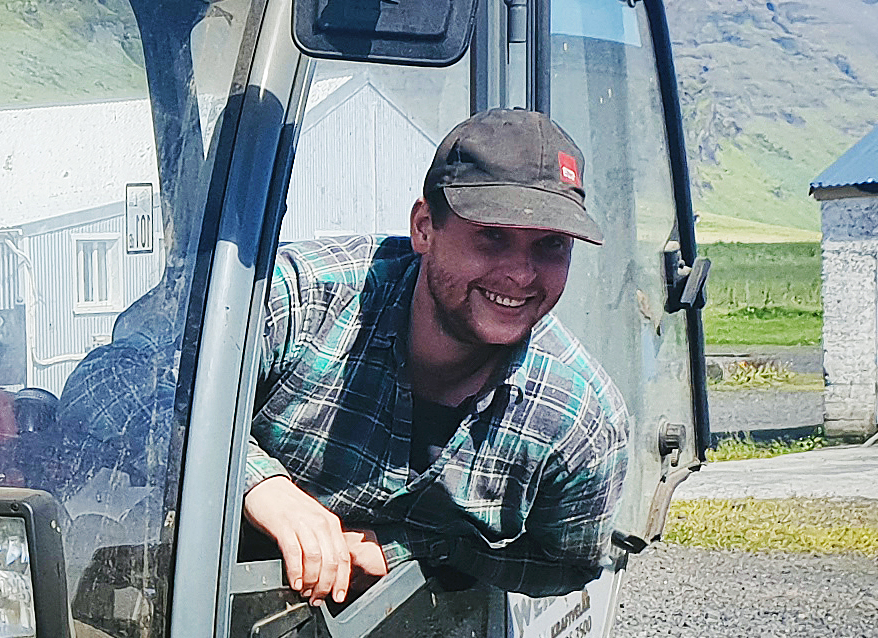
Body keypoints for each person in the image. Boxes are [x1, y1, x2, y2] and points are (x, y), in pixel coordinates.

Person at [238, 108, 632, 603]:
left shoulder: (579, 424)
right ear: (423, 228)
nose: (521, 275)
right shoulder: (302, 300)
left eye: (551, 245)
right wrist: (259, 485)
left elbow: (564, 565)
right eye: (492, 235)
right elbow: (130, 382)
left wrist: (413, 547)